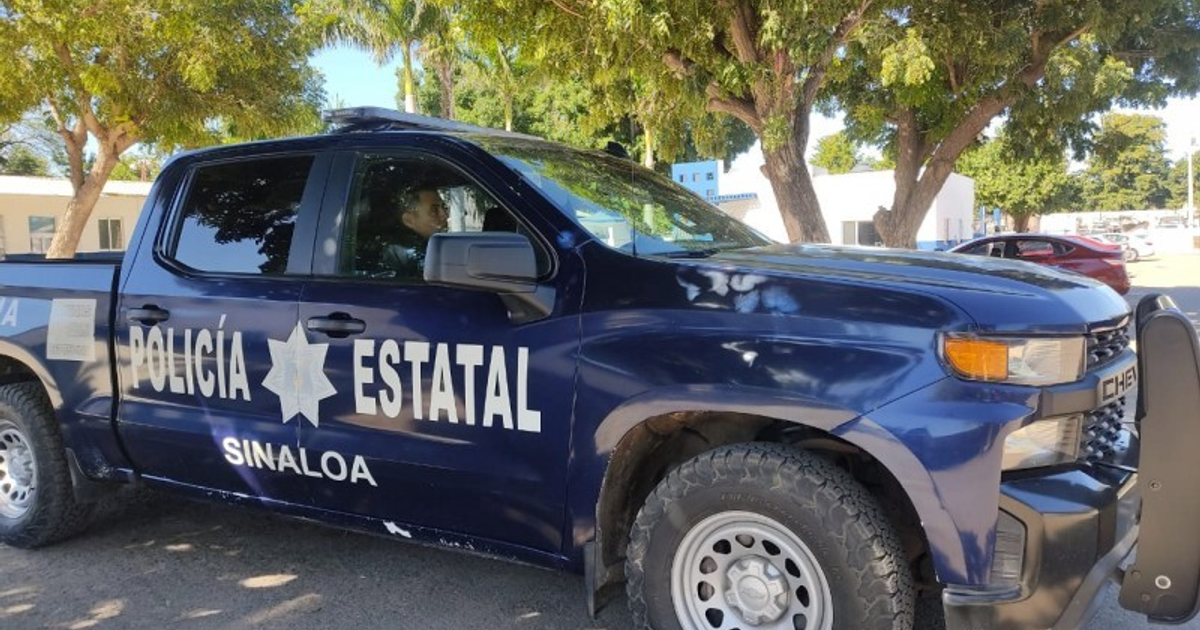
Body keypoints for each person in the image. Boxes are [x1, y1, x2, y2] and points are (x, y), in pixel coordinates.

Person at [380, 187, 449, 277]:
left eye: (444, 207)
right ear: (409, 220)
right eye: (434, 210)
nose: (445, 215)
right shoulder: (401, 255)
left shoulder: (432, 246)